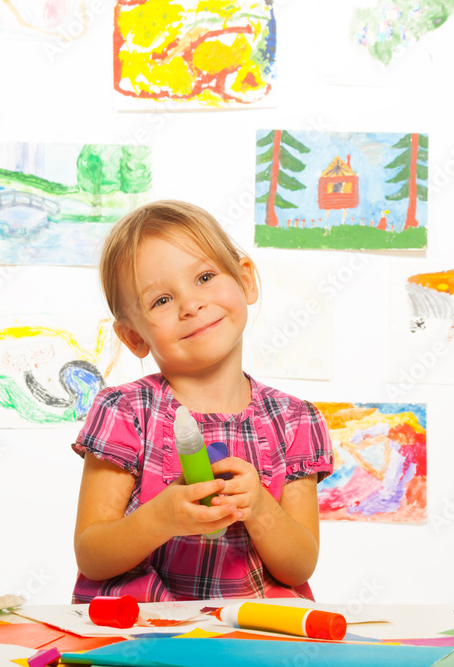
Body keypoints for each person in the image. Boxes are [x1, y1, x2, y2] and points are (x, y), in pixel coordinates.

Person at [71, 200, 334, 603]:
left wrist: (261, 508)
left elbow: (299, 566)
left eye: (205, 276)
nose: (191, 304)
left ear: (245, 279)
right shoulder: (124, 411)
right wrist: (161, 518)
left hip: (252, 637)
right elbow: (93, 555)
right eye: (160, 300)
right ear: (134, 337)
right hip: (144, 637)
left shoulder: (295, 420)